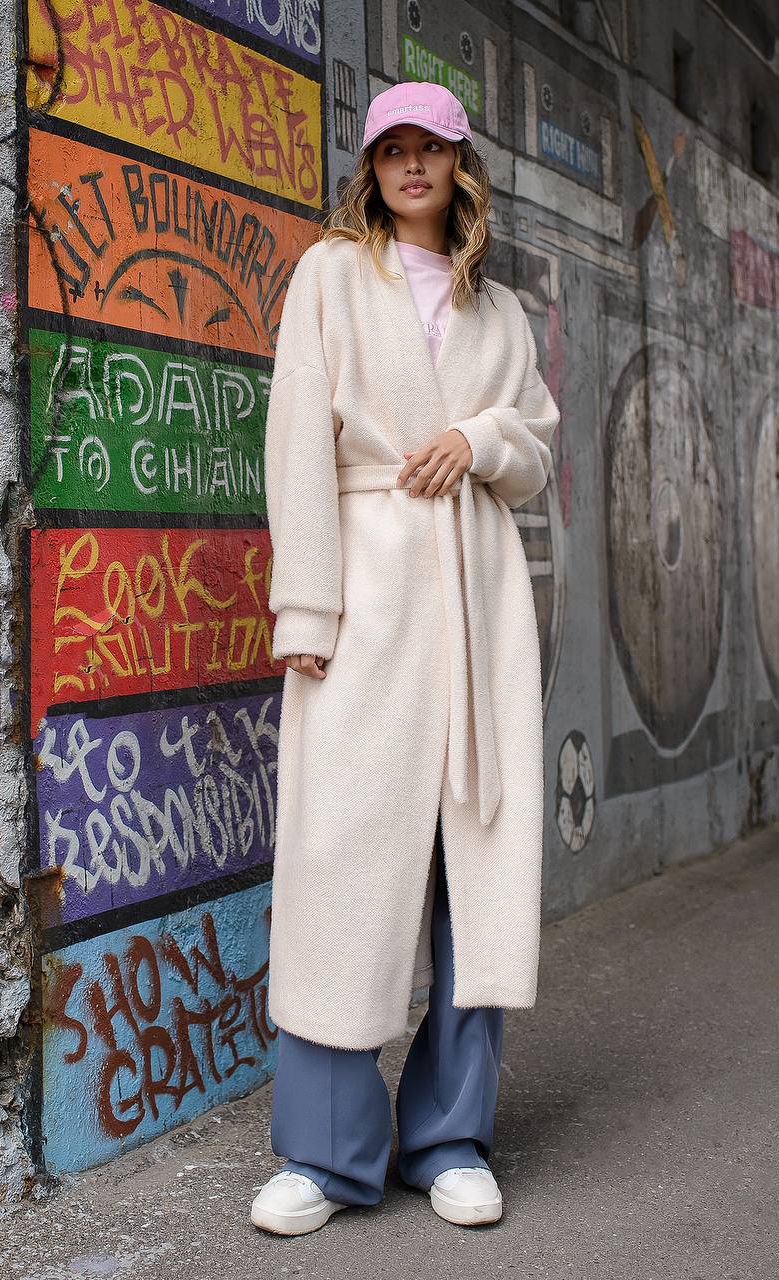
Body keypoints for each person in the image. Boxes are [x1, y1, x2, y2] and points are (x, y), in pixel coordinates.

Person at [250, 80, 561, 1235]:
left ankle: (451, 1137)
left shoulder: (500, 312)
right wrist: (307, 613)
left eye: (432, 148)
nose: (413, 166)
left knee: (475, 870)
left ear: (459, 166)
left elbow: (532, 447)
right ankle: (326, 1155)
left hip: (476, 596)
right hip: (366, 595)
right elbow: (295, 439)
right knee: (341, 867)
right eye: (394, 149)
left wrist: (478, 438)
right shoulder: (332, 274)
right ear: (372, 168)